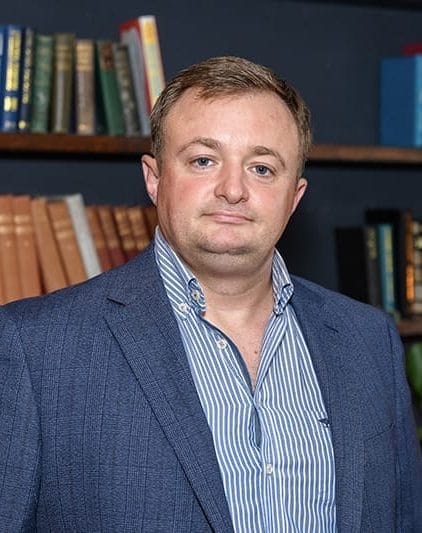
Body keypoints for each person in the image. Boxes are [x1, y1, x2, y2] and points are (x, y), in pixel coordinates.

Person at [0, 56, 421, 532]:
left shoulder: (369, 340)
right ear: (154, 178)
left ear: (294, 196)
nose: (233, 189)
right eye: (204, 160)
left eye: (262, 168)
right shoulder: (33, 348)